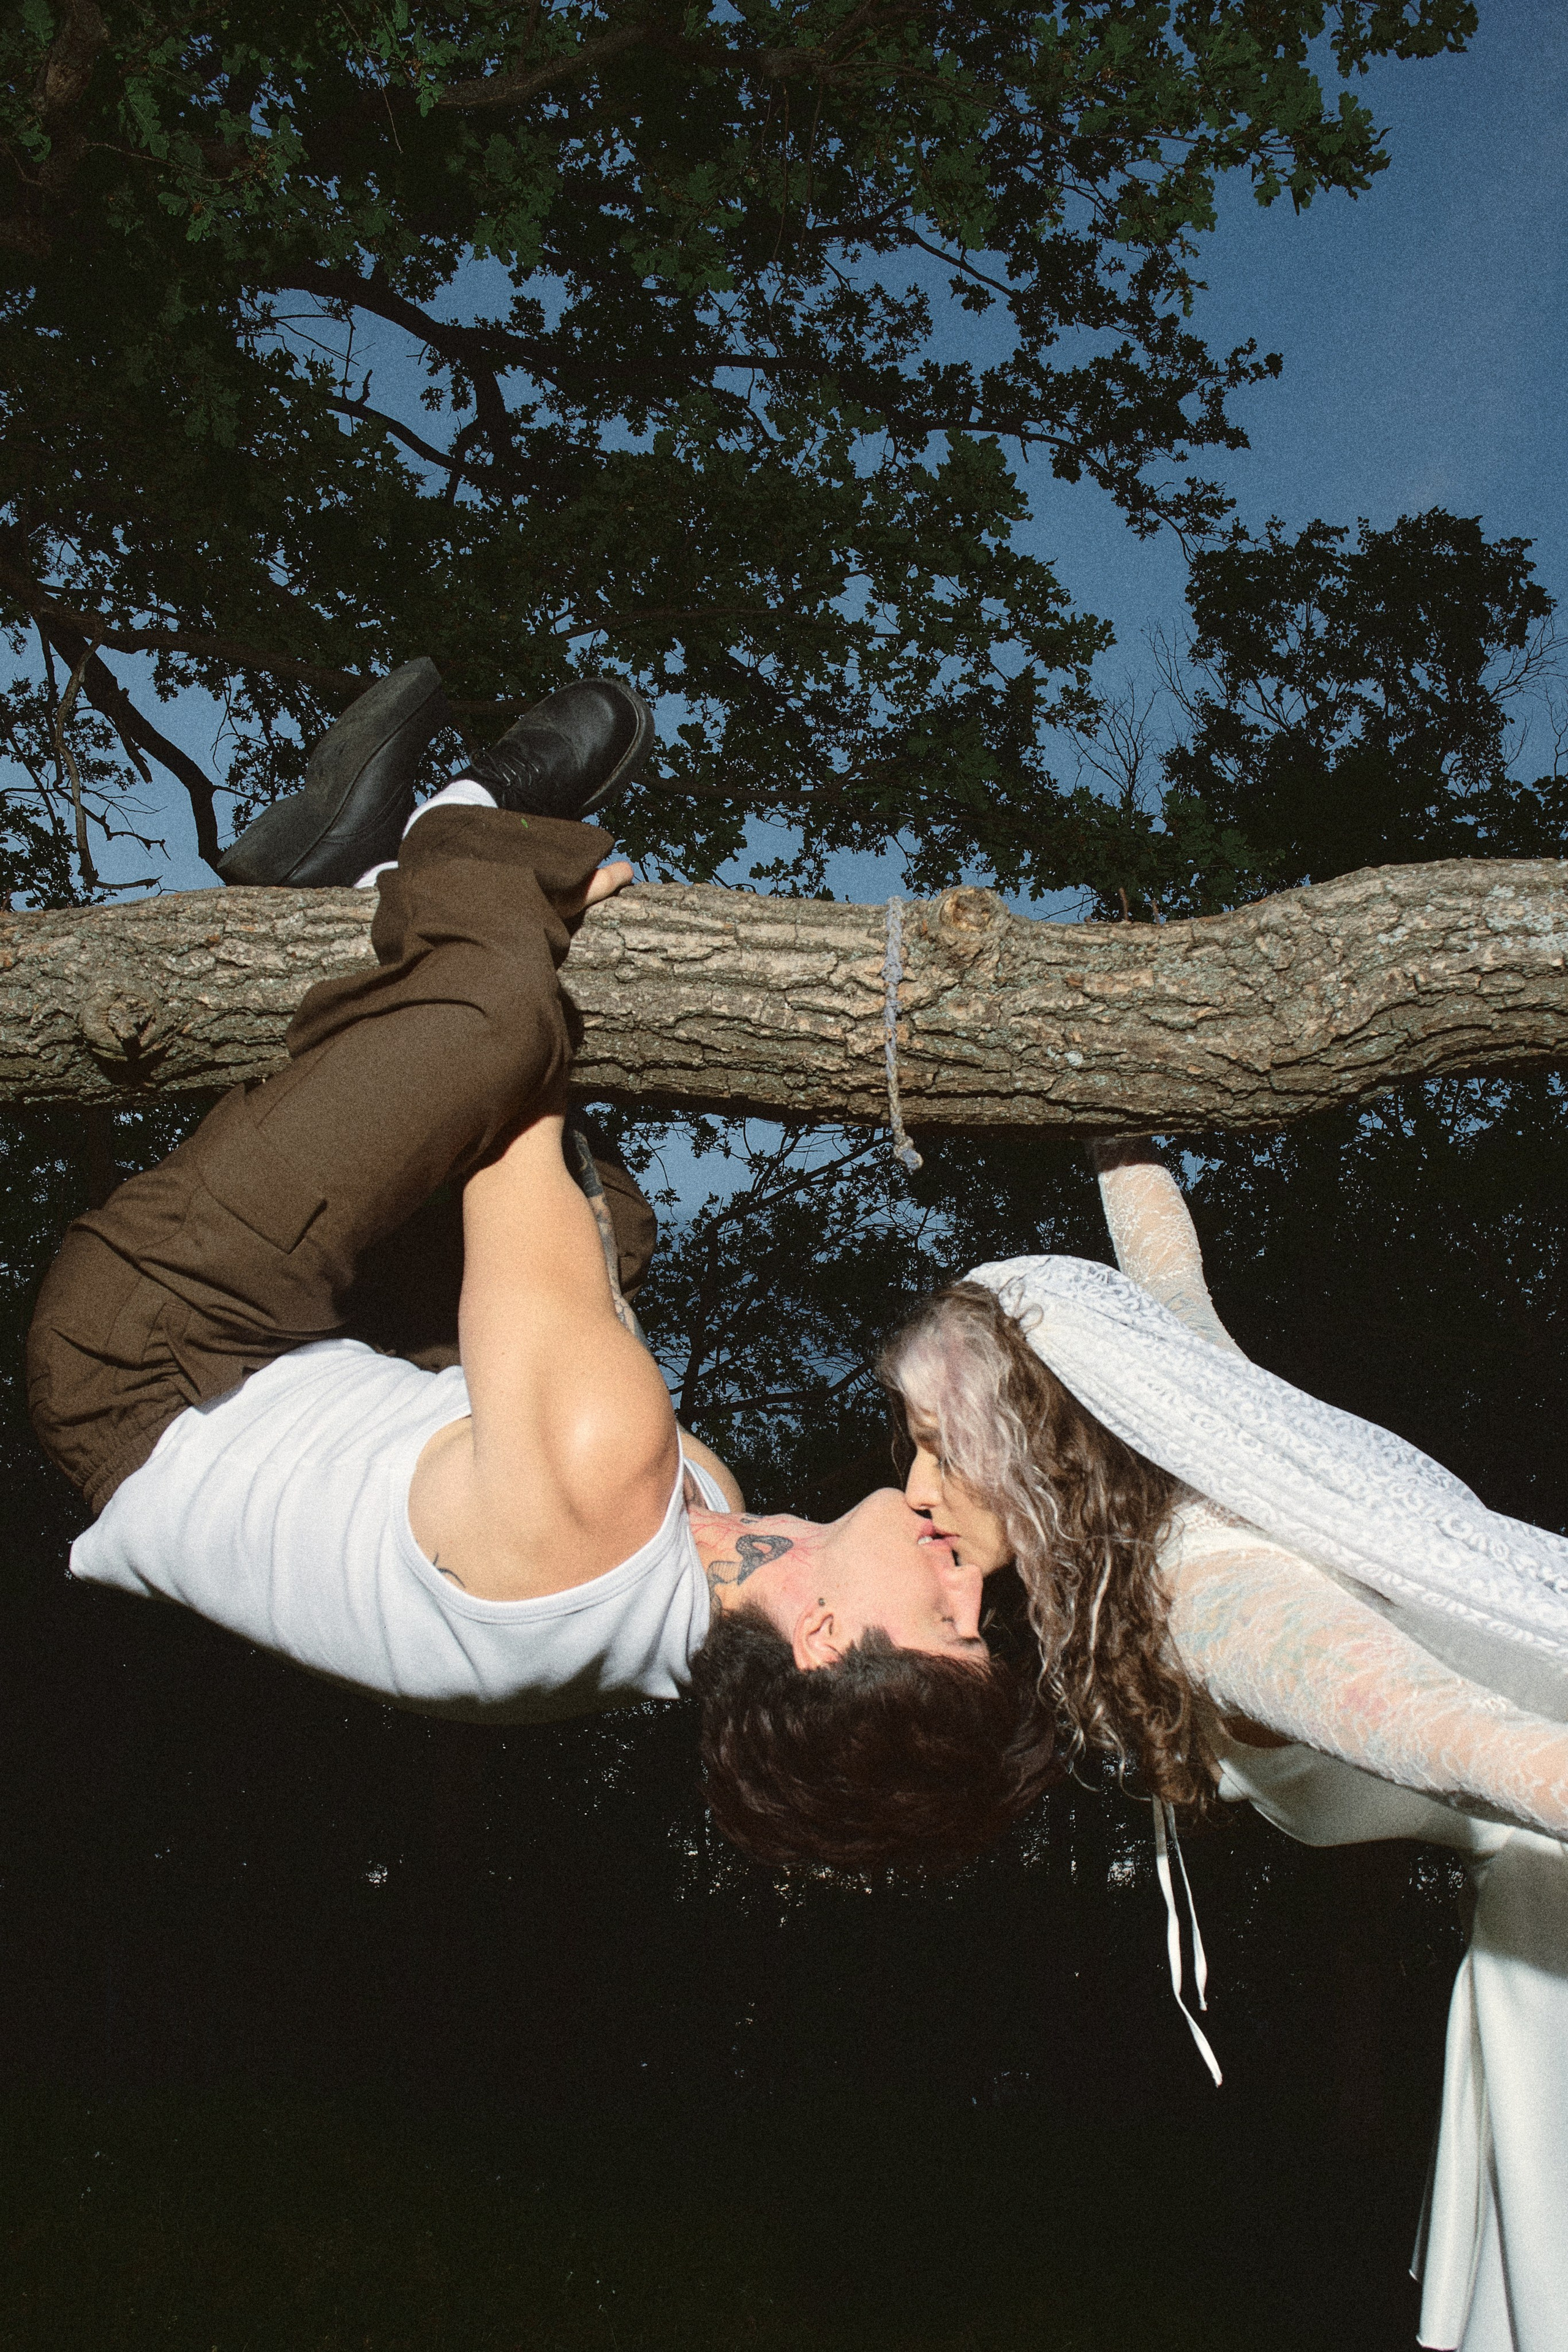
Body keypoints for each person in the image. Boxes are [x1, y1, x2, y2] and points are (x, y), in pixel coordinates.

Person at [28, 666, 1054, 1879]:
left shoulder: (600, 1490)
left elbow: (508, 1119)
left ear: (823, 1638)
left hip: (154, 1355)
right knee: (606, 1233)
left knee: (502, 1017)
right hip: (318, 1378)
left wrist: (520, 919)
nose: (969, 1588)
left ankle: (426, 838)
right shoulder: (699, 1581)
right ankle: (350, 896)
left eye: (948, 1629)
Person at [878, 1139, 1568, 2351]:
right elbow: (1164, 1276)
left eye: (940, 1442)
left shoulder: (1215, 1607)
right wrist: (1104, 1089)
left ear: (1038, 1445)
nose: (914, 1487)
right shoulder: (1186, 1430)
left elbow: (1496, 1750)